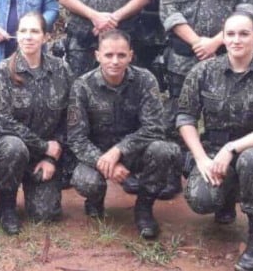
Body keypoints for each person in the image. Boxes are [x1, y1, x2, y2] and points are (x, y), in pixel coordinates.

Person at [148, 0, 253, 199]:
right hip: (182, 59)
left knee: (226, 119)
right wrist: (197, 42)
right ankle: (173, 175)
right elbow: (168, 11)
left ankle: (224, 180)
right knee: (177, 118)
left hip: (226, 59)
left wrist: (217, 42)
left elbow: (246, 10)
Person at [178, 12, 253, 271]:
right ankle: (226, 199)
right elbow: (185, 117)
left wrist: (232, 149)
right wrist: (200, 158)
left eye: (243, 34)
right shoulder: (204, 71)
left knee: (251, 160)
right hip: (214, 150)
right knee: (201, 200)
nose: (236, 40)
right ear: (223, 37)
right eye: (230, 34)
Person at [66, 30, 179, 240]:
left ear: (131, 55)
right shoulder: (82, 86)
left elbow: (154, 127)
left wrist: (119, 151)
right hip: (97, 154)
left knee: (163, 150)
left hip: (134, 152)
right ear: (97, 55)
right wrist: (105, 162)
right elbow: (77, 138)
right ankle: (95, 200)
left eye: (121, 55)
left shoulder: (145, 80)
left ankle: (144, 208)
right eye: (108, 55)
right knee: (87, 182)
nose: (115, 61)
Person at [0, 12, 72, 234]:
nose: (28, 37)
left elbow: (69, 118)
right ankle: (6, 205)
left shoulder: (61, 71)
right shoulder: (4, 70)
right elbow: (2, 120)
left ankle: (33, 180)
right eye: (23, 31)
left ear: (46, 37)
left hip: (46, 154)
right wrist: (43, 146)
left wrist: (50, 157)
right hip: (13, 148)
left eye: (34, 31)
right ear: (16, 35)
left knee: (45, 214)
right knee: (14, 147)